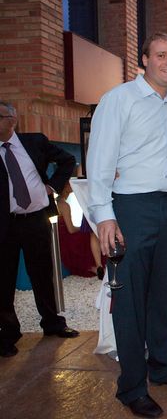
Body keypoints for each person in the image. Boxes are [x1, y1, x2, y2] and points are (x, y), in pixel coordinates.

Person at [87, 32, 167, 418]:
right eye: (162, 55)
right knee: (131, 302)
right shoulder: (119, 99)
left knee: (163, 295)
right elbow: (100, 157)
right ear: (144, 60)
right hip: (132, 208)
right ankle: (131, 387)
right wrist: (105, 214)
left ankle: (164, 368)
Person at [0, 101, 79, 358]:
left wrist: (53, 187)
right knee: (4, 280)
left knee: (42, 273)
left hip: (35, 218)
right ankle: (8, 334)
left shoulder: (34, 142)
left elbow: (68, 160)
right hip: (6, 224)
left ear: (12, 119)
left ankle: (52, 323)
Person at [56, 181, 104, 278]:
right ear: (65, 187)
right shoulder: (64, 205)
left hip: (61, 236)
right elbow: (71, 229)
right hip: (64, 238)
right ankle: (95, 266)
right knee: (89, 235)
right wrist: (82, 228)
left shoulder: (59, 202)